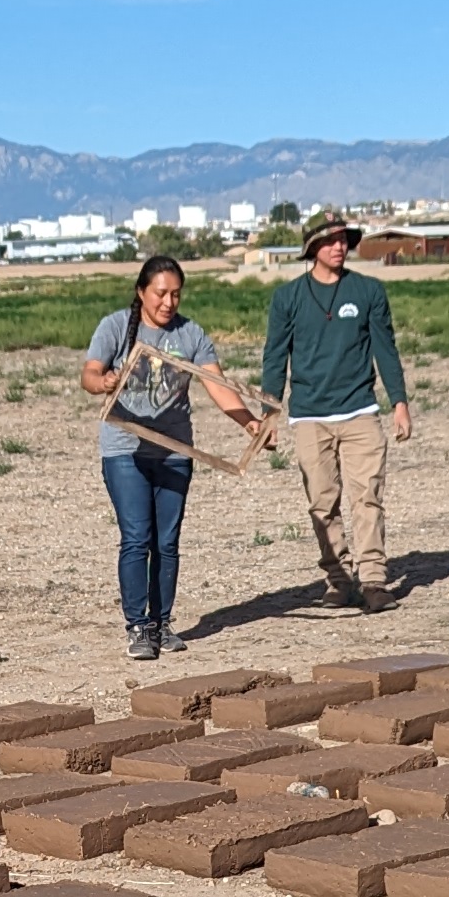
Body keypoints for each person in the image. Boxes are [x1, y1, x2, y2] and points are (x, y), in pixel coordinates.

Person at [82, 253, 264, 661]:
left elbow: (218, 386)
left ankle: (162, 623)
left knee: (167, 541)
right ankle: (137, 626)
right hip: (125, 449)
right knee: (137, 538)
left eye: (176, 294)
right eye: (161, 294)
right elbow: (88, 374)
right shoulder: (115, 327)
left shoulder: (191, 335)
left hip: (174, 450)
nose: (169, 302)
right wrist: (105, 382)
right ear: (141, 292)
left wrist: (249, 423)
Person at [260, 220, 413, 607]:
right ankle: (339, 578)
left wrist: (399, 402)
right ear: (312, 248)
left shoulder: (368, 291)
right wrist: (269, 413)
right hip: (310, 415)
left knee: (368, 496)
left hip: (360, 410)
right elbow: (275, 357)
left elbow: (386, 348)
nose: (338, 247)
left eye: (343, 240)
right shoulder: (287, 297)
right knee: (322, 502)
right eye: (328, 241)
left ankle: (374, 580)